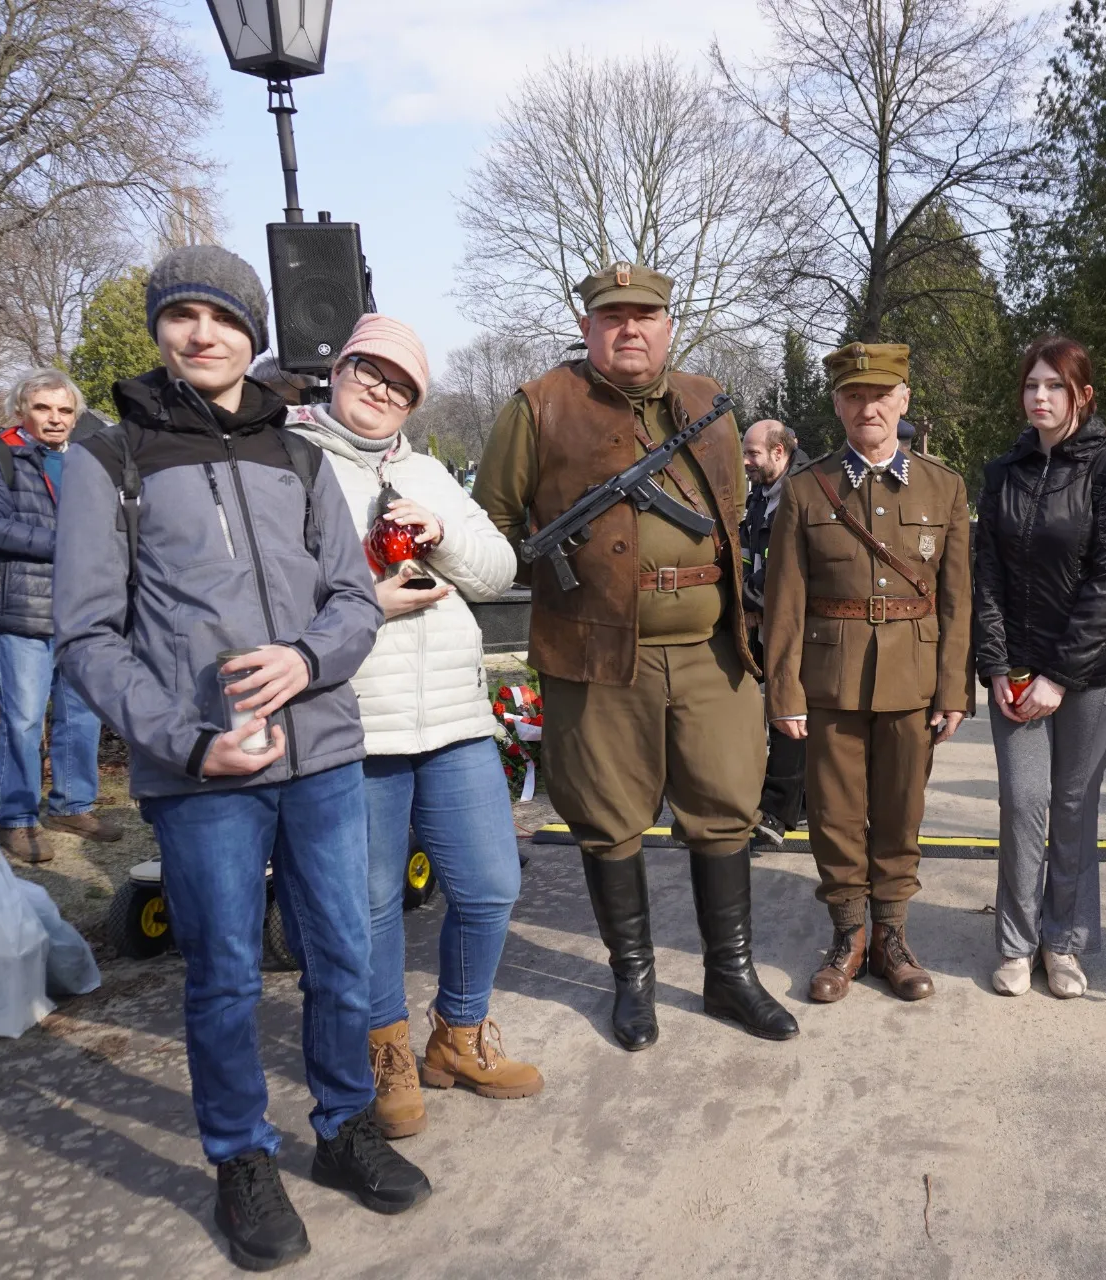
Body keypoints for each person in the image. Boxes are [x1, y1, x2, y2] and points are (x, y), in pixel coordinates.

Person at [53, 245, 427, 1270]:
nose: (203, 332)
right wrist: (185, 741)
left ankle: (344, 1125)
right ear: (160, 330)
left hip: (323, 757)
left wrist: (307, 659)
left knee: (342, 954)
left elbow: (352, 600)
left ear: (253, 333)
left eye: (224, 316)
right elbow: (87, 633)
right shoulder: (111, 459)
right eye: (182, 313)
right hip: (204, 775)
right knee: (223, 975)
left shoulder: (297, 455)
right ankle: (241, 1157)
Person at [473, 262, 796, 1051]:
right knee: (609, 819)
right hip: (597, 653)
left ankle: (730, 975)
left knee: (726, 809)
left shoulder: (707, 402)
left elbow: (731, 518)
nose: (629, 329)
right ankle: (634, 981)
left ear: (667, 326)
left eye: (644, 316)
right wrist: (562, 571)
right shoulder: (539, 406)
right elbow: (491, 529)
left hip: (711, 649)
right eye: (612, 316)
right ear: (586, 327)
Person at [288, 314, 540, 1141]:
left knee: (490, 884)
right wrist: (370, 600)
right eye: (369, 371)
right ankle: (385, 1051)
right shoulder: (289, 460)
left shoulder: (427, 470)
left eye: (400, 386)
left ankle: (458, 1036)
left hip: (455, 721)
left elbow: (499, 569)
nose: (381, 391)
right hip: (358, 723)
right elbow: (272, 590)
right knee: (371, 905)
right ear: (338, 370)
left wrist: (441, 534)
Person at [762, 342, 972, 1003]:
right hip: (831, 676)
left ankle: (893, 937)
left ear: (904, 400)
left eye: (880, 395)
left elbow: (957, 599)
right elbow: (785, 599)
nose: (868, 408)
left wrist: (954, 687)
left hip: (913, 675)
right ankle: (849, 935)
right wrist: (784, 691)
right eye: (854, 396)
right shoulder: (805, 489)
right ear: (837, 405)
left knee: (901, 812)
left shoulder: (944, 486)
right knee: (835, 815)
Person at [973, 336, 1106, 998]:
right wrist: (997, 663)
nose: (1040, 397)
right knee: (1023, 802)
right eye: (1031, 385)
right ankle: (1016, 944)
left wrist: (1060, 677)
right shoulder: (1003, 472)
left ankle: (1063, 941)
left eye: (1054, 386)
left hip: (1096, 671)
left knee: (1072, 805)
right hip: (1018, 666)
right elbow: (987, 573)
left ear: (1083, 395)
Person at [0, 368, 119, 862]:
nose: (55, 418)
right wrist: (67, 543)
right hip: (22, 610)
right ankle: (16, 819)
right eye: (43, 408)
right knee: (24, 720)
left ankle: (72, 805)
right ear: (20, 411)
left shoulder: (87, 458)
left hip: (83, 609)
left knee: (82, 716)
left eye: (65, 410)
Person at [741, 418, 809, 848]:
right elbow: (752, 555)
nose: (746, 462)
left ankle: (776, 811)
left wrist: (748, 599)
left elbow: (789, 565)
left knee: (789, 713)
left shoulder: (803, 493)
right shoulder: (761, 495)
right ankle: (799, 803)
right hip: (764, 620)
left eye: (753, 454)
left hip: (797, 623)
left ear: (779, 452)